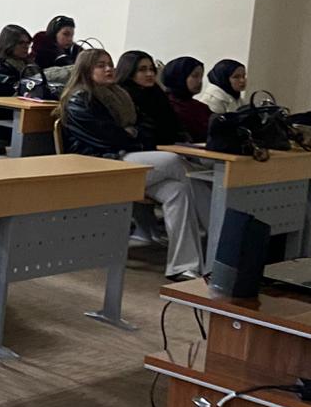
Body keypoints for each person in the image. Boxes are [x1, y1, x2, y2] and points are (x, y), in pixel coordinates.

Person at [57, 49, 207, 279]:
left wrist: (131, 133)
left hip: (127, 159)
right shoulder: (80, 99)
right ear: (86, 70)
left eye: (110, 64)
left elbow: (148, 129)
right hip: (100, 165)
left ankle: (183, 266)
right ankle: (215, 233)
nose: (109, 69)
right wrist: (131, 134)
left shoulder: (120, 95)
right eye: (101, 65)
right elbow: (108, 138)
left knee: (177, 190)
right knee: (175, 161)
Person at [116, 50, 180, 148]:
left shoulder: (157, 93)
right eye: (142, 70)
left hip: (169, 144)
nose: (149, 74)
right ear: (129, 71)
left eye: (151, 69)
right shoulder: (121, 96)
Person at [162, 56, 211, 142]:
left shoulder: (202, 107)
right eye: (195, 76)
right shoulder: (164, 105)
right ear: (179, 77)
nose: (200, 81)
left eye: (201, 76)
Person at [0, 24, 38, 96]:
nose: (26, 46)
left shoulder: (28, 64)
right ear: (9, 44)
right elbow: (13, 88)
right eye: (21, 43)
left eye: (28, 43)